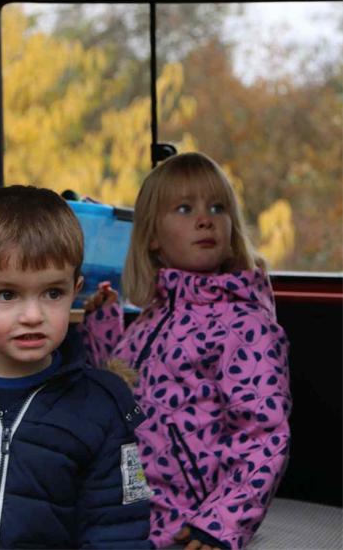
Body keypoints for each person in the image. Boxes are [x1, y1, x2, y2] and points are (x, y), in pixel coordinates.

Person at [0, 186, 151, 550]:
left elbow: (117, 531)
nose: (33, 316)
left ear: (75, 291)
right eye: (7, 294)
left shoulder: (102, 407)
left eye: (53, 293)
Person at [80, 152, 291, 550]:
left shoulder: (244, 324)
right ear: (153, 238)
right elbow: (120, 394)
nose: (205, 219)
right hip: (130, 507)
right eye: (184, 208)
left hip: (190, 519)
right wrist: (101, 327)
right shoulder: (151, 317)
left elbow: (263, 434)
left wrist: (222, 521)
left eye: (218, 208)